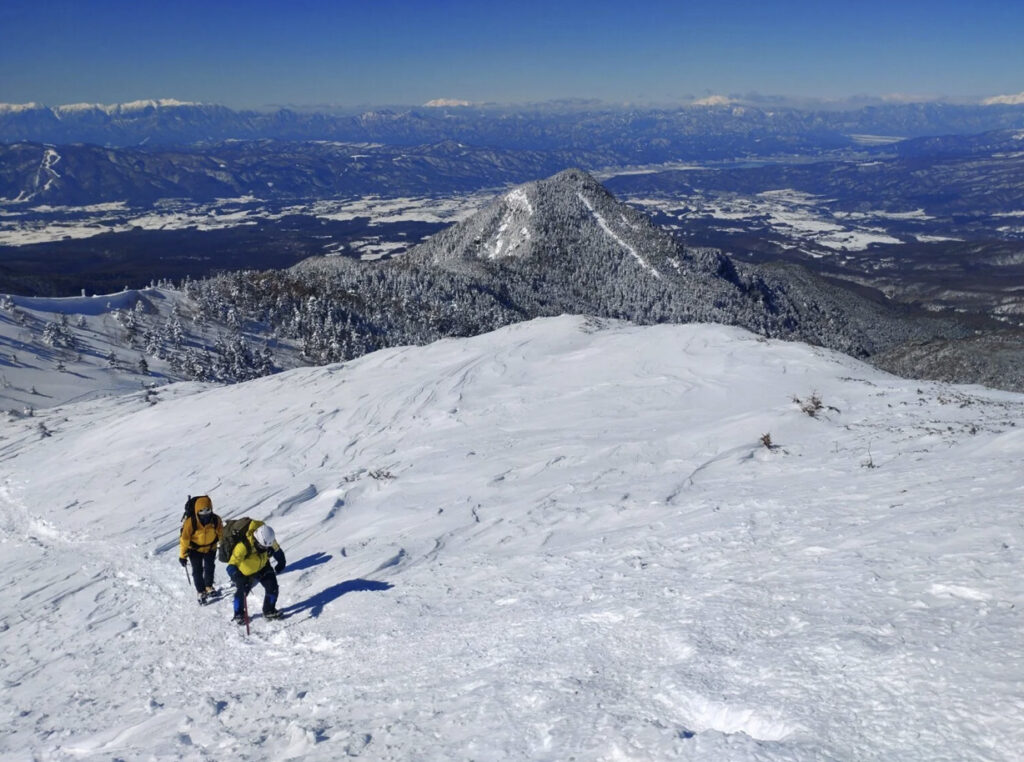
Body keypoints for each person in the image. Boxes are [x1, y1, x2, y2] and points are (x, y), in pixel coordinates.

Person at [225, 520, 286, 623]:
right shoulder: (243, 546)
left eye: (267, 547)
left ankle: (269, 610)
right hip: (245, 573)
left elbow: (276, 548)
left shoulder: (268, 538)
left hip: (263, 566)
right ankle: (238, 614)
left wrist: (281, 561)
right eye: (263, 547)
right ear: (256, 540)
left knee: (273, 587)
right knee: (242, 592)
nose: (265, 549)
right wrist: (237, 576)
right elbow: (231, 565)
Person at [179, 495, 224, 604]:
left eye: (208, 511)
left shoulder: (216, 520)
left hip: (210, 548)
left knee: (209, 567)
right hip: (194, 550)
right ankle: (201, 591)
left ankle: (208, 586)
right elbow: (184, 539)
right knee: (197, 570)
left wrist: (222, 546)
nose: (205, 515)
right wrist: (182, 555)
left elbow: (221, 534)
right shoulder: (190, 522)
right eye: (202, 512)